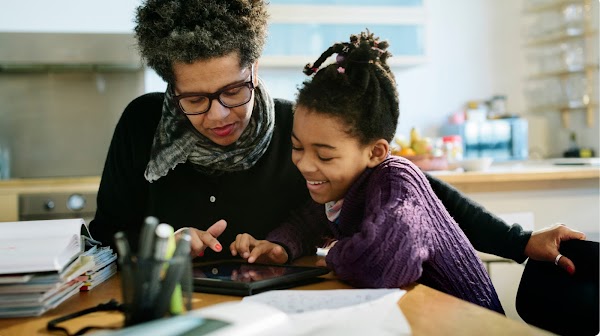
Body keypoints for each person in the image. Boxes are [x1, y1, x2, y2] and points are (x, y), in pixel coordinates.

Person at [89, 0, 585, 275]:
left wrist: (519, 242)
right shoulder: (142, 124)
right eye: (194, 99)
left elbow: (412, 188)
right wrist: (161, 243)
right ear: (169, 87)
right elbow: (108, 234)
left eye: (233, 90)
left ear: (254, 67)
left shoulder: (300, 132)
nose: (219, 114)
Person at [230, 31, 507, 312]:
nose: (305, 164)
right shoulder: (345, 187)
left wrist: (333, 252)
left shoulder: (396, 181)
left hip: (470, 322)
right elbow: (309, 221)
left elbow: (383, 264)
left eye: (324, 155)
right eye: (297, 148)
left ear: (375, 152)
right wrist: (280, 246)